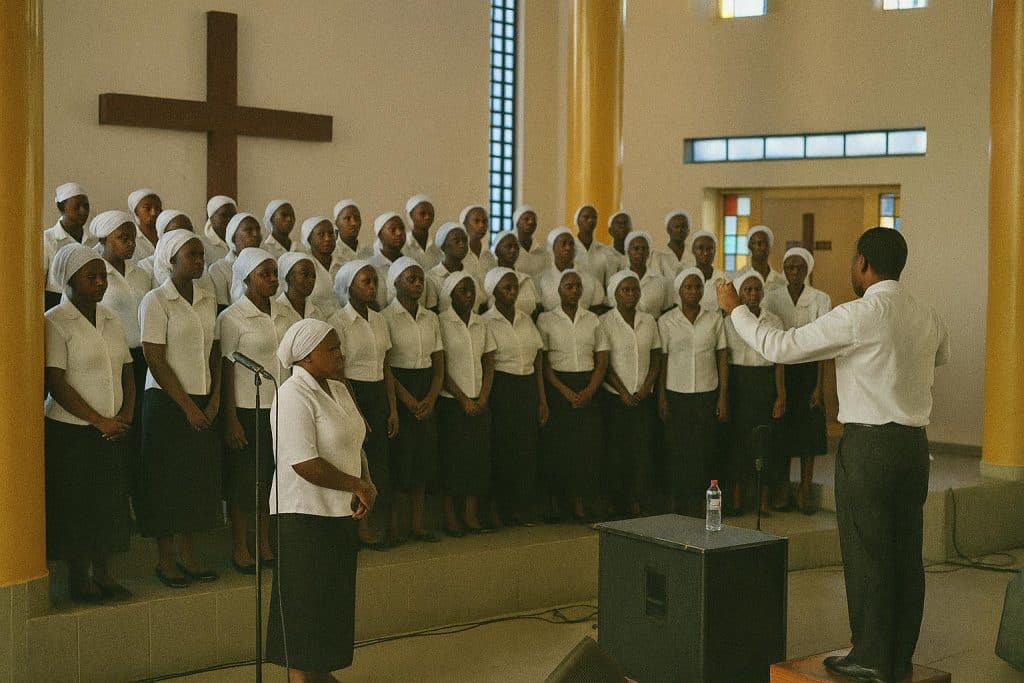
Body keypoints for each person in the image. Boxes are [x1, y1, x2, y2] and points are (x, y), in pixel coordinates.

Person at [717, 227, 948, 683]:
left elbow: (780, 346)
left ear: (863, 264)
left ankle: (871, 657)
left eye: (852, 262)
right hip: (913, 447)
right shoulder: (927, 314)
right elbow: (938, 356)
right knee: (906, 554)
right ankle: (898, 656)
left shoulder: (858, 315)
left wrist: (735, 310)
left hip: (870, 448)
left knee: (868, 553)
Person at [265, 319, 377, 681]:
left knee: (331, 601)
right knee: (304, 604)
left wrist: (367, 482)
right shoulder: (292, 394)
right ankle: (300, 678)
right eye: (332, 348)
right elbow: (303, 463)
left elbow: (355, 443)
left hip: (338, 513)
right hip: (302, 516)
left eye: (339, 347)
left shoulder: (339, 390)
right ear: (306, 356)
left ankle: (320, 672)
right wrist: (355, 485)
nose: (340, 354)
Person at [44, 244, 134, 603]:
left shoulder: (111, 318)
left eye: (102, 277)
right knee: (77, 504)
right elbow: (57, 383)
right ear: (69, 280)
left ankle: (104, 573)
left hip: (112, 428)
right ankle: (79, 579)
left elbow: (127, 369)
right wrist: (99, 421)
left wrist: (125, 415)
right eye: (91, 277)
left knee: (107, 503)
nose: (100, 282)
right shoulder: (54, 321)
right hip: (72, 431)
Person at [137, 230, 222, 588]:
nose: (200, 261)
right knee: (165, 482)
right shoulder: (156, 300)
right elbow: (154, 358)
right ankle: (165, 559)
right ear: (171, 260)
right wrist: (187, 406)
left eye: (202, 255)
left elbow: (215, 352)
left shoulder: (207, 298)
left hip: (202, 400)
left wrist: (214, 400)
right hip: (167, 402)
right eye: (192, 255)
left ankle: (189, 555)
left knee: (194, 481)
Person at [218, 248, 287, 573]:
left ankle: (264, 543)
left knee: (269, 479)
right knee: (244, 482)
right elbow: (227, 368)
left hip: (279, 407)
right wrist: (230, 418)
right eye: (265, 274)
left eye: (275, 274)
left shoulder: (283, 314)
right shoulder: (232, 317)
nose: (273, 280)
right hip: (247, 408)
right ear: (246, 278)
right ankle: (240, 547)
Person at [329, 259, 397, 549]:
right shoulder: (338, 321)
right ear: (349, 287)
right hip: (353, 393)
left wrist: (392, 408)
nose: (372, 287)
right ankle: (359, 527)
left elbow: (386, 366)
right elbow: (339, 372)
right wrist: (356, 412)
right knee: (357, 463)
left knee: (380, 463)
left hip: (378, 392)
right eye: (365, 282)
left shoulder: (380, 320)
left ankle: (378, 523)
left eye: (374, 282)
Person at [763, 247, 832, 514]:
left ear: (807, 270)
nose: (794, 272)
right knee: (781, 434)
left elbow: (823, 345)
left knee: (808, 435)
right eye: (789, 267)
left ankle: (805, 489)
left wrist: (819, 387)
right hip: (781, 371)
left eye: (799, 267)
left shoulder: (820, 298)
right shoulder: (772, 296)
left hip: (808, 370)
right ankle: (782, 488)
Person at [538, 269, 609, 522]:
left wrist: (590, 389)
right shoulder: (546, 319)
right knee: (560, 448)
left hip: (588, 385)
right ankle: (560, 504)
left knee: (586, 449)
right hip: (559, 388)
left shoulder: (592, 319)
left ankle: (583, 503)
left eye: (578, 286)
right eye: (569, 286)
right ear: (558, 290)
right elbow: (544, 363)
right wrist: (564, 390)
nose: (574, 290)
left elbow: (602, 359)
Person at [382, 257, 444, 543]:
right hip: (399, 389)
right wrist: (407, 400)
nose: (418, 284)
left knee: (423, 460)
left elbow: (438, 365)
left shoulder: (431, 318)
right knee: (401, 461)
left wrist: (430, 397)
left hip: (426, 388)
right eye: (411, 279)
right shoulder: (386, 317)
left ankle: (418, 525)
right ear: (396, 283)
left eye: (421, 280)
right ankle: (395, 525)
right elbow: (386, 366)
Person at [658, 267, 728, 516]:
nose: (693, 291)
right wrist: (662, 397)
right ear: (679, 291)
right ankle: (677, 502)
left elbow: (722, 358)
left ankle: (701, 502)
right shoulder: (666, 321)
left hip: (706, 393)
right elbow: (662, 361)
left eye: (698, 286)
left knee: (704, 450)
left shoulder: (714, 320)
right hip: (676, 394)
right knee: (677, 450)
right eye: (688, 287)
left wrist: (722, 397)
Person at [89, 210, 151, 496]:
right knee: (115, 425)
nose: (130, 244)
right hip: (110, 360)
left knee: (139, 429)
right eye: (123, 238)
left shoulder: (140, 272)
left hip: (141, 358)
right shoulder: (93, 272)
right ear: (104, 239)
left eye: (133, 238)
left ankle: (135, 494)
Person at [483, 267, 548, 526]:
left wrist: (542, 398)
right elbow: (487, 363)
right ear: (494, 291)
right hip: (502, 387)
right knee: (503, 448)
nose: (512, 291)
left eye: (515, 287)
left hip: (527, 386)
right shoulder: (487, 321)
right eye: (506, 287)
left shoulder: (525, 319)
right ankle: (501, 508)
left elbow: (537, 359)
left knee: (526, 449)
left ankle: (522, 506)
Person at [437, 272, 496, 536]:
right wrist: (462, 399)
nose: (469, 295)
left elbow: (489, 362)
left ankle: (471, 514)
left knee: (477, 459)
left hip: (479, 401)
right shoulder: (442, 322)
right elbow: (441, 368)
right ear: (450, 294)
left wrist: (482, 397)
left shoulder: (481, 323)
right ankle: (451, 516)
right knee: (452, 460)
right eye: (462, 290)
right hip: (452, 402)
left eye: (471, 290)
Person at [723, 271, 785, 515]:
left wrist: (780, 395)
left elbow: (779, 361)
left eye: (757, 289)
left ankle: (763, 501)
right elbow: (724, 360)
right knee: (738, 443)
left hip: (765, 384)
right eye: (747, 290)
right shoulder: (729, 321)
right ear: (739, 294)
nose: (752, 294)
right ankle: (738, 499)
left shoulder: (774, 320)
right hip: (739, 383)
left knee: (764, 442)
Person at [599, 270, 661, 517]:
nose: (631, 294)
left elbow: (656, 357)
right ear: (615, 294)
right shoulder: (605, 322)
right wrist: (622, 391)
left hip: (643, 398)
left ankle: (638, 500)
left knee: (641, 451)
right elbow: (604, 363)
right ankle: (617, 502)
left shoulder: (649, 321)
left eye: (635, 289)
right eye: (625, 290)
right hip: (615, 399)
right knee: (617, 452)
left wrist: (646, 386)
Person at [369, 211, 437, 310]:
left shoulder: (415, 263)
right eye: (393, 230)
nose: (399, 233)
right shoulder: (370, 266)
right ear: (380, 235)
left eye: (401, 229)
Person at [43, 183, 95, 309]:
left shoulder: (93, 241)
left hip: (88, 304)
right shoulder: (47, 239)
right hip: (55, 304)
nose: (83, 211)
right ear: (61, 208)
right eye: (77, 207)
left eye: (86, 206)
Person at [538, 227, 606, 313]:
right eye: (563, 244)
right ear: (552, 248)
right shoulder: (542, 279)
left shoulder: (589, 278)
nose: (568, 247)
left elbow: (597, 309)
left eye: (571, 244)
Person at [208, 212, 264, 309]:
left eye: (257, 229)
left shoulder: (267, 265)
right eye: (248, 230)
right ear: (233, 237)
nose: (255, 234)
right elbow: (222, 307)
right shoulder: (219, 268)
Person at [428, 222, 486, 312]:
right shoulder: (432, 277)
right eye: (456, 241)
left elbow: (478, 308)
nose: (462, 244)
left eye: (465, 240)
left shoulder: (470, 276)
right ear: (443, 246)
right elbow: (432, 313)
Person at [487, 230, 542, 317]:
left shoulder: (526, 279)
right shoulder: (490, 279)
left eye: (516, 247)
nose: (513, 250)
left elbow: (538, 307)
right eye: (508, 246)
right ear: (497, 251)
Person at [300, 215, 344, 318]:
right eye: (321, 234)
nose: (327, 238)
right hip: (316, 323)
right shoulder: (303, 267)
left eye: (331, 233)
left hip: (345, 323)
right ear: (309, 238)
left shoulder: (344, 265)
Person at [621, 230, 670, 317]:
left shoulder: (661, 281)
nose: (640, 252)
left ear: (648, 253)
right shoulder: (617, 280)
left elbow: (667, 311)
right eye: (636, 248)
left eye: (644, 249)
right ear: (627, 251)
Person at [276, 252, 326, 335]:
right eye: (305, 274)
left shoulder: (317, 313)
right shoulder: (277, 312)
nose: (311, 280)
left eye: (313, 276)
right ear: (288, 277)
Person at [572, 204, 616, 287]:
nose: (591, 220)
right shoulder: (570, 249)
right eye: (586, 217)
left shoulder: (604, 251)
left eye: (594, 217)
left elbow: (609, 283)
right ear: (577, 220)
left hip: (598, 295)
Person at [733, 225, 786, 292]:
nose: (758, 246)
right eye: (754, 243)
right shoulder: (738, 277)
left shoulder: (780, 281)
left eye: (762, 243)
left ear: (769, 246)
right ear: (749, 246)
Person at [691, 230, 728, 313]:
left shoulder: (723, 279)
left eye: (710, 249)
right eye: (700, 248)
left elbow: (727, 311)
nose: (705, 253)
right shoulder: (685, 278)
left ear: (715, 251)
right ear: (693, 250)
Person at [403, 194, 442, 269]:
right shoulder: (402, 245)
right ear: (410, 215)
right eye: (422, 213)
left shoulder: (438, 245)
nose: (427, 217)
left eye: (430, 214)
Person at [653, 210, 696, 278]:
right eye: (676, 227)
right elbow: (656, 281)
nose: (680, 230)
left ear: (688, 230)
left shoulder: (695, 253)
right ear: (668, 230)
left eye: (683, 227)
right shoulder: (658, 256)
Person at [512, 205, 548, 279]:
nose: (531, 222)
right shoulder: (509, 247)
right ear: (517, 222)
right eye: (526, 219)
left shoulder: (541, 250)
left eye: (534, 220)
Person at [127, 188, 162, 263]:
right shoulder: (130, 239)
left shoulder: (166, 234)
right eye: (147, 208)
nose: (153, 213)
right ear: (136, 211)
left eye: (157, 208)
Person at [459, 204, 490, 287]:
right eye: (476, 221)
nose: (481, 225)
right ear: (464, 224)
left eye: (484, 221)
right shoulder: (459, 255)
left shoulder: (489, 257)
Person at [332, 199, 370, 264]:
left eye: (356, 218)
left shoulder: (369, 252)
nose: (354, 223)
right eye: (347, 218)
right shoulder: (332, 254)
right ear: (336, 223)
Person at [202, 195, 237, 264]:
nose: (230, 220)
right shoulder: (203, 244)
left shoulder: (239, 242)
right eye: (224, 215)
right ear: (211, 217)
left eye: (233, 216)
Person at [605, 210, 633, 275]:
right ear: (610, 231)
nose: (622, 226)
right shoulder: (604, 255)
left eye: (625, 223)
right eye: (618, 223)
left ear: (631, 230)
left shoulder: (639, 255)